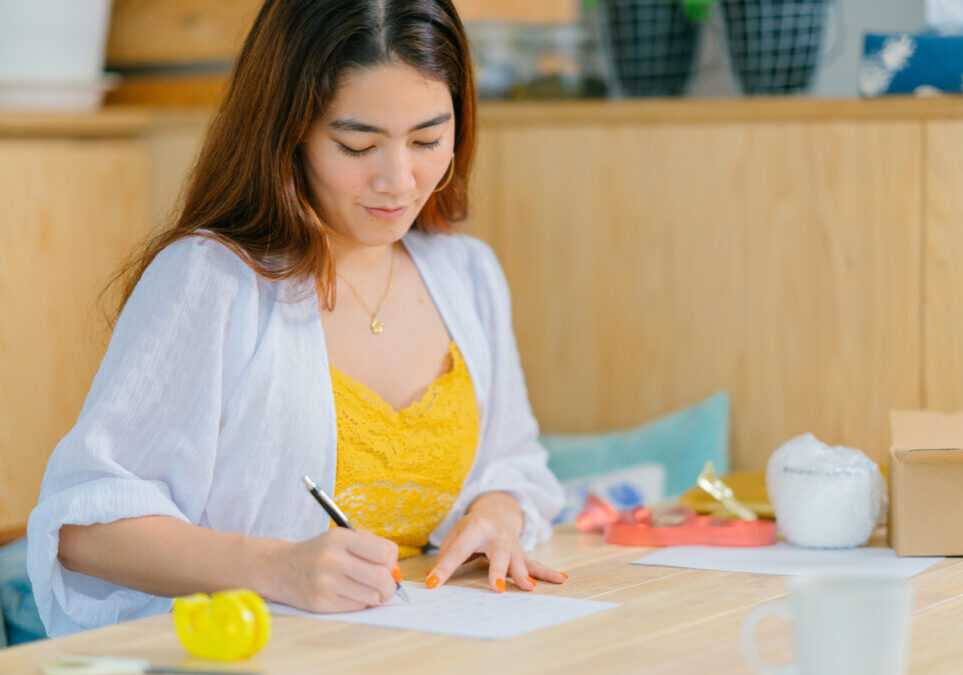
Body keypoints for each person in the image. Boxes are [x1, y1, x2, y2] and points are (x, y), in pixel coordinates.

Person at [26, 0, 566, 637]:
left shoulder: (467, 274)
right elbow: (83, 526)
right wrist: (278, 567)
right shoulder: (213, 278)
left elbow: (514, 461)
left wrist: (497, 515)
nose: (399, 180)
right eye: (357, 144)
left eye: (428, 139)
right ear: (289, 131)